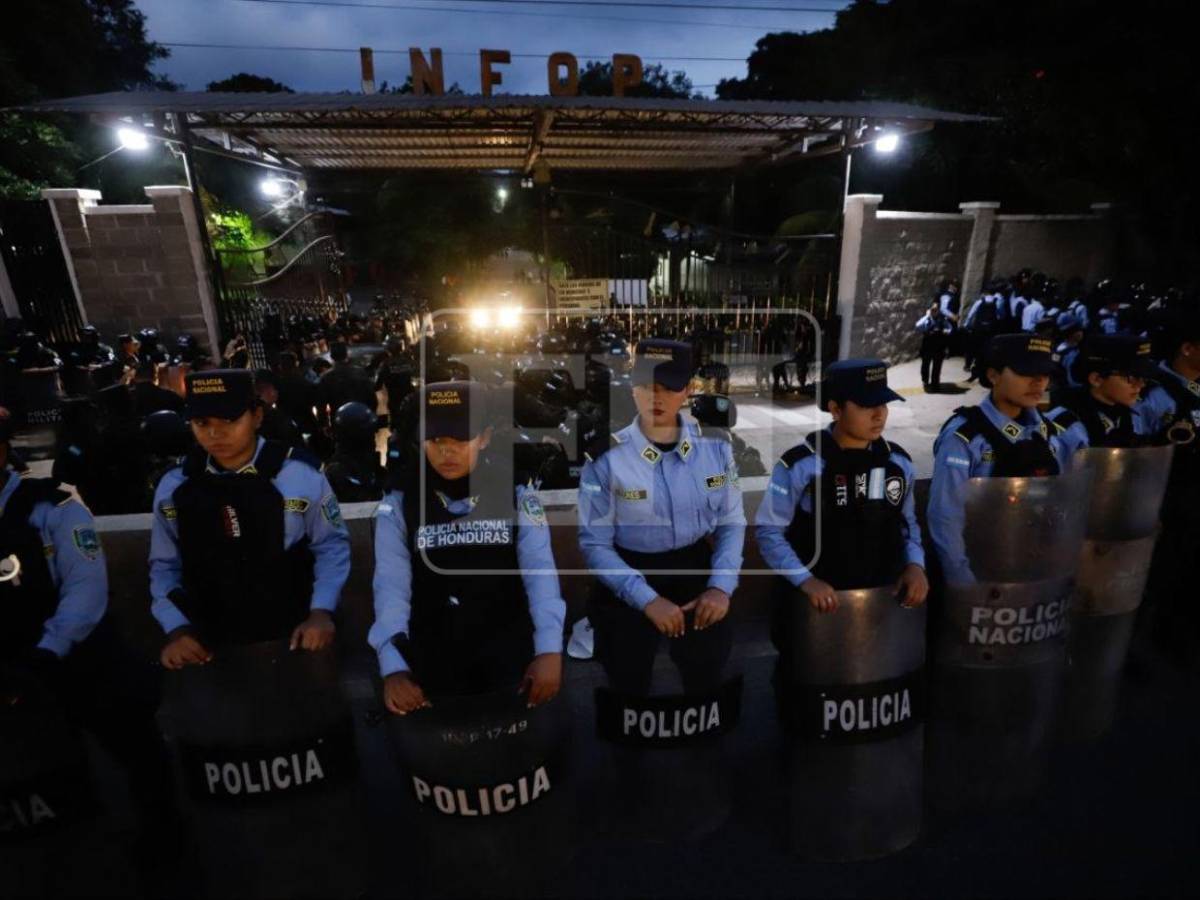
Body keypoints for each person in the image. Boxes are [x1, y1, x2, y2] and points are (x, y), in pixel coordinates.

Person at [1, 406, 178, 856]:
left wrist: (45, 653)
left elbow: (85, 590)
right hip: (16, 671)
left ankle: (164, 848)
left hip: (74, 660)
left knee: (137, 753)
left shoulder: (51, 505)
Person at [371, 381, 565, 714]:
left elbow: (540, 574)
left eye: (461, 440)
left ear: (484, 437)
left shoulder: (517, 492)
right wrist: (394, 666)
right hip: (431, 661)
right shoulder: (400, 501)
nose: (447, 452)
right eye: (436, 441)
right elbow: (391, 588)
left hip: (511, 655)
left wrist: (549, 650)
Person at [577, 339, 745, 696]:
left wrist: (720, 586)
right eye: (646, 386)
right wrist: (646, 599)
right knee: (626, 680)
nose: (656, 397)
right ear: (633, 388)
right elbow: (595, 545)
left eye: (669, 387)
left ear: (687, 390)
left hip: (695, 568)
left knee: (707, 675)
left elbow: (731, 522)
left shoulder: (715, 448)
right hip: (628, 571)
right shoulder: (606, 459)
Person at [149, 370, 351, 667]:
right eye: (202, 423)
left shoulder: (299, 475)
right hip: (209, 644)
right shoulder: (176, 486)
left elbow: (330, 547)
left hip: (296, 633)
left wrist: (321, 611)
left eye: (229, 420)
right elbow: (164, 566)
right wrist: (177, 629)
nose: (215, 434)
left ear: (256, 416)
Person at [755, 361, 928, 684]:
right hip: (816, 606)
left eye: (883, 404)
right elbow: (769, 532)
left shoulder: (897, 463)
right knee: (807, 686)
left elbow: (907, 523)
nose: (879, 415)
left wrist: (915, 565)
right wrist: (805, 581)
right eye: (865, 405)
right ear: (835, 409)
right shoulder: (802, 465)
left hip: (880, 603)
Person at [927, 334, 1074, 584]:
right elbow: (946, 515)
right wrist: (963, 583)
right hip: (982, 571)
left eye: (1045, 373)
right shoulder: (965, 438)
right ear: (993, 375)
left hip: (1035, 570)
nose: (1038, 381)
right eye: (1026, 372)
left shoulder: (1049, 432)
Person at [1047, 335, 1160, 453]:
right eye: (1131, 378)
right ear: (1096, 379)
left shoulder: (1135, 412)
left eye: (1144, 377)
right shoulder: (1068, 424)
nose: (1141, 384)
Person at [317, 342, 376, 428]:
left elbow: (321, 406)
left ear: (332, 357)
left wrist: (324, 425)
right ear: (347, 355)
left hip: (340, 421)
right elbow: (372, 398)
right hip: (361, 418)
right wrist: (370, 414)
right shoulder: (360, 372)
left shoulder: (325, 378)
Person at [916, 302, 953, 392]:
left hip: (938, 345)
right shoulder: (926, 319)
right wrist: (927, 316)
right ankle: (925, 380)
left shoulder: (942, 319)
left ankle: (935, 384)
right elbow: (918, 326)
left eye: (936, 310)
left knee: (937, 366)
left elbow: (949, 328)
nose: (934, 311)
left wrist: (946, 331)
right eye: (933, 309)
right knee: (925, 365)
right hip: (927, 345)